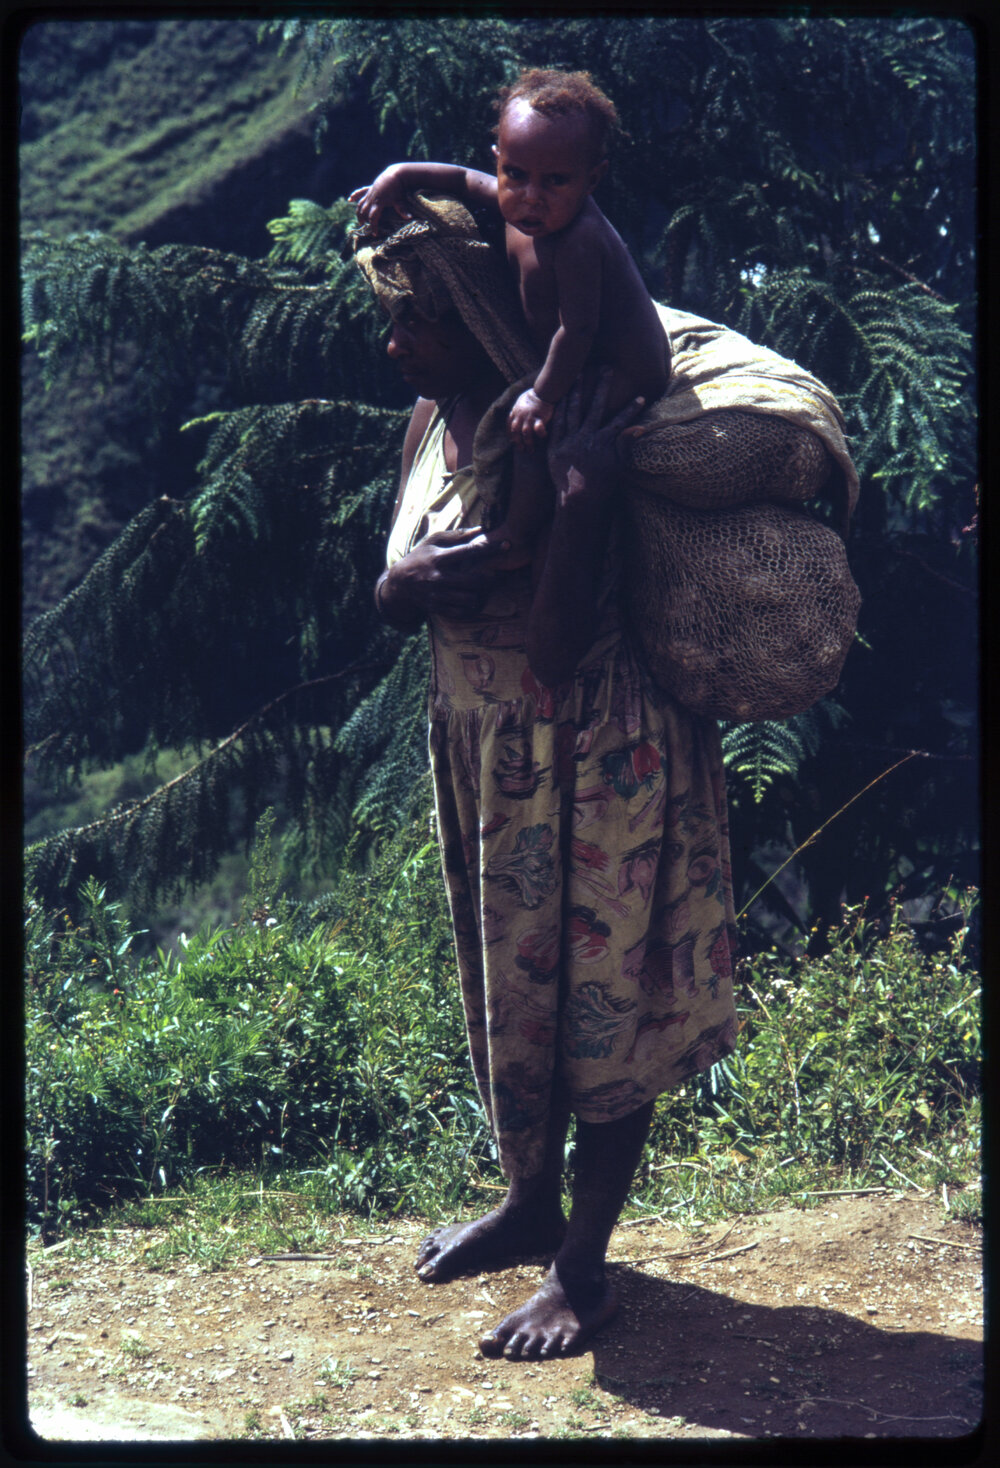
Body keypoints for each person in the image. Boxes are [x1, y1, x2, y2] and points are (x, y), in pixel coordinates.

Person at [355, 201, 739, 1361]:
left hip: (590, 752)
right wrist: (404, 584)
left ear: (474, 314)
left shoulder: (566, 433)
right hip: (485, 750)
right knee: (515, 998)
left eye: (414, 320)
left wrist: (576, 499)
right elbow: (393, 589)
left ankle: (582, 1269)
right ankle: (530, 1204)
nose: (394, 344)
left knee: (601, 1004)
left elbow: (562, 642)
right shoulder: (432, 417)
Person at [351, 68, 669, 559]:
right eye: (515, 174)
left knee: (535, 432)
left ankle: (515, 535)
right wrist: (399, 176)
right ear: (499, 161)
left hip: (623, 369)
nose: (531, 196)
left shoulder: (577, 238)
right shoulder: (516, 204)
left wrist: (542, 396)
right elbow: (458, 179)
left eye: (556, 181)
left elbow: (578, 329)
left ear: (592, 179)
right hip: (575, 352)